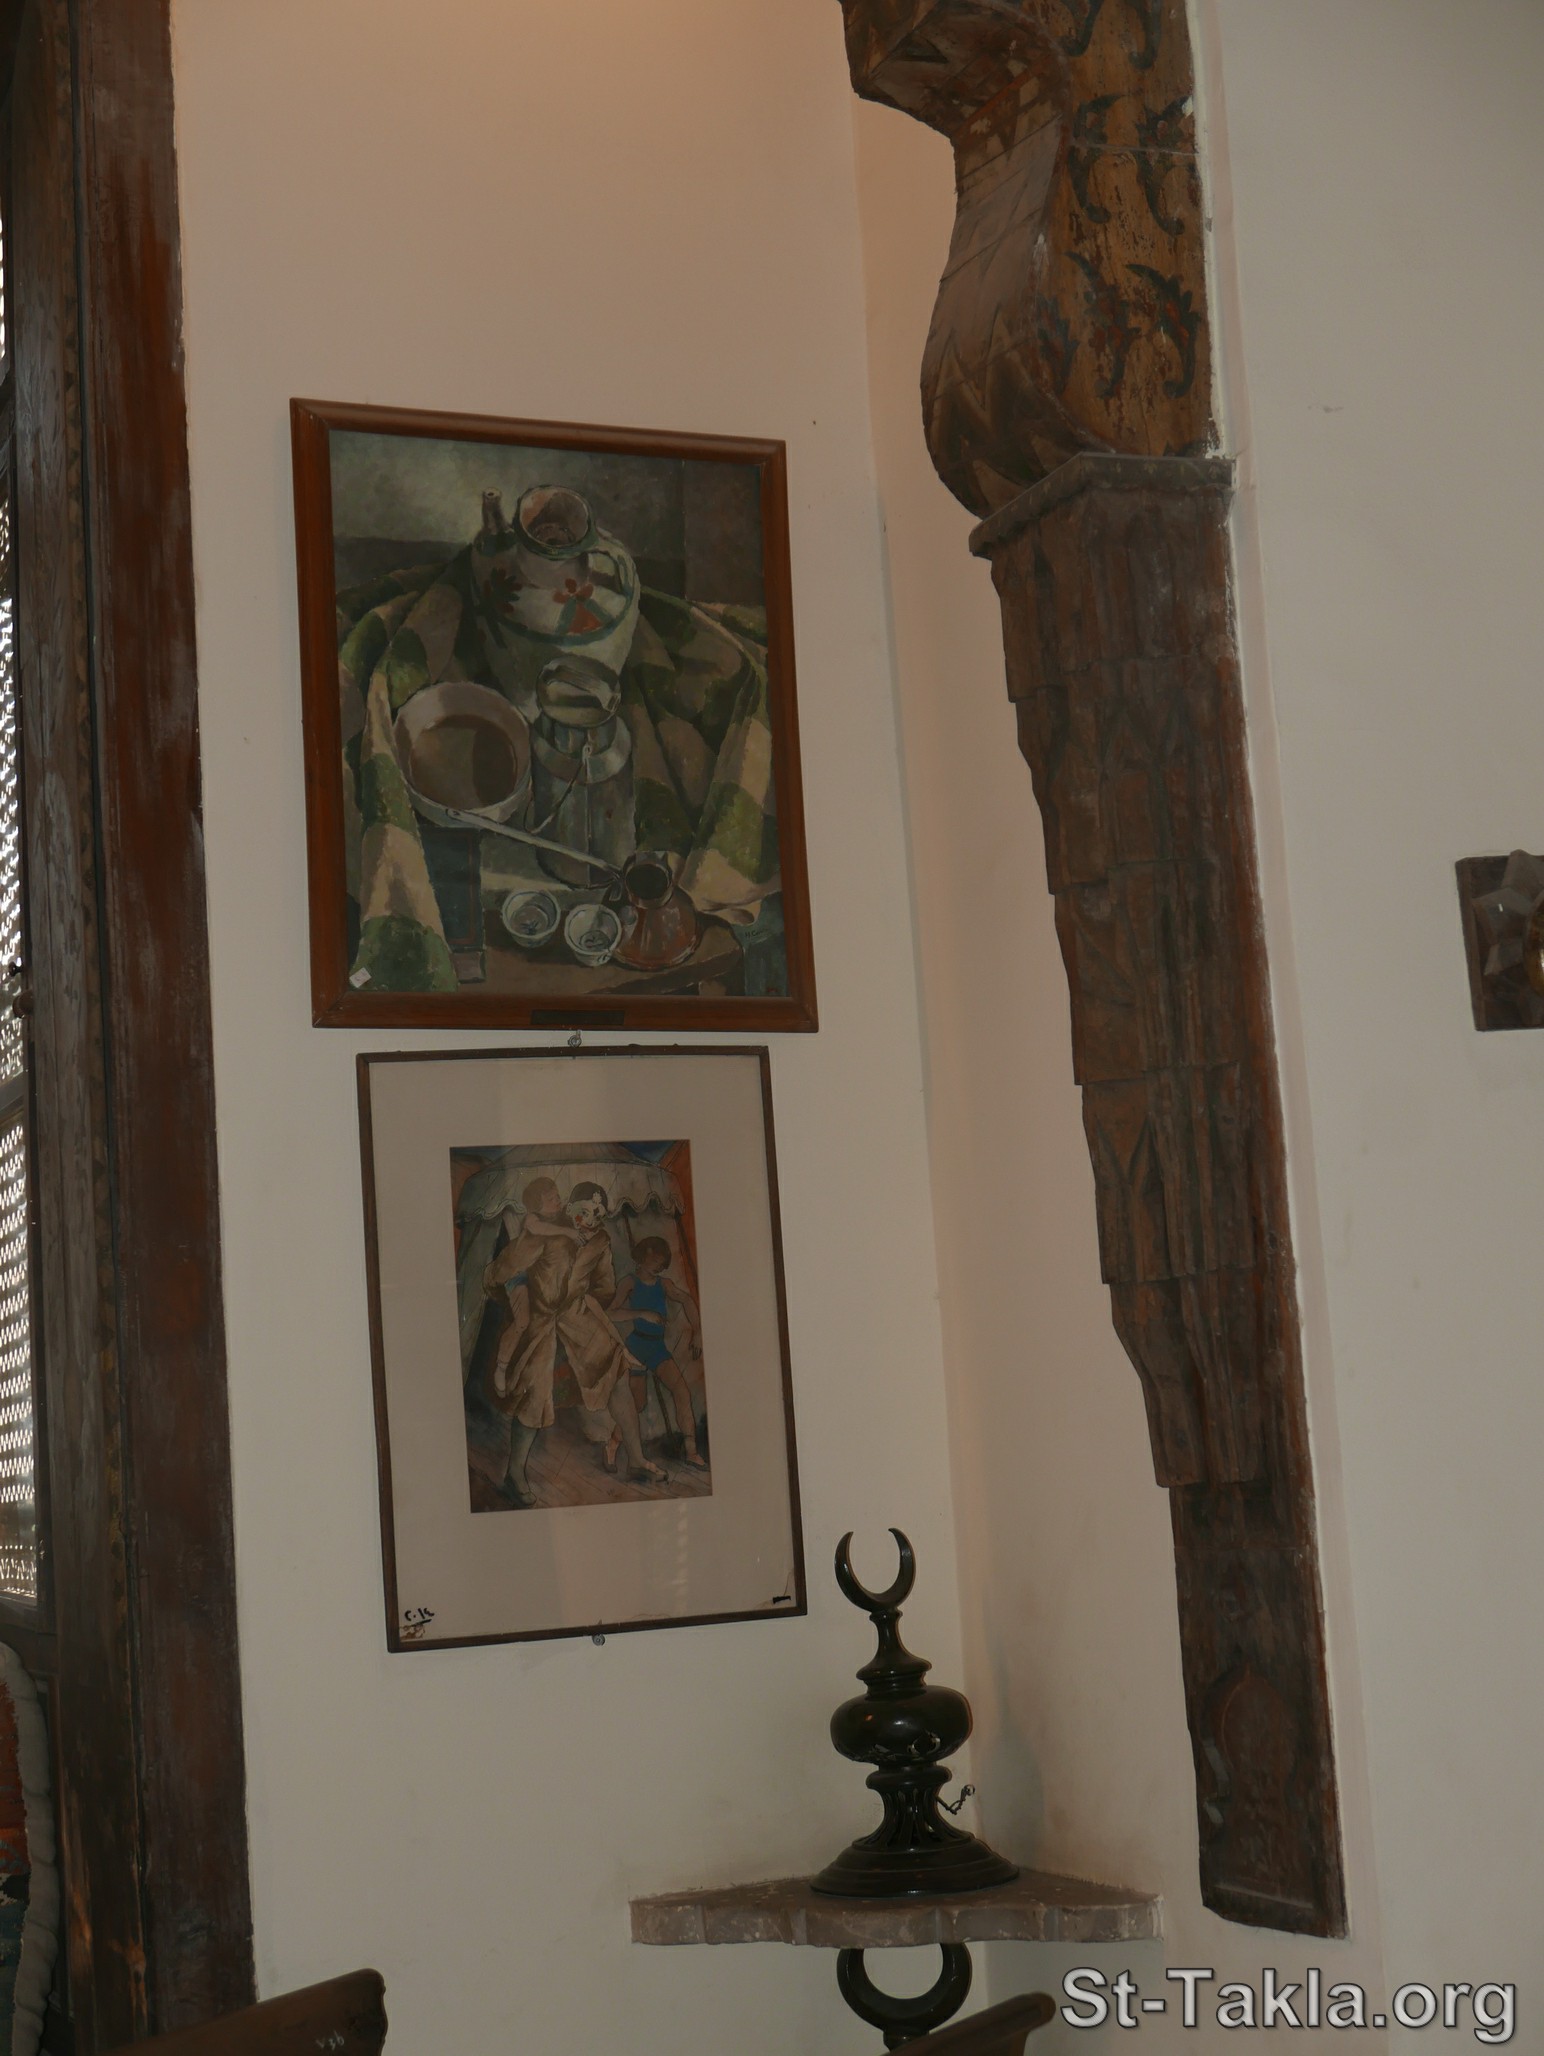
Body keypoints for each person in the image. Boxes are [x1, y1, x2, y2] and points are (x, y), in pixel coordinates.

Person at [483, 1177, 663, 1505]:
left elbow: (604, 1288)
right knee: (533, 1390)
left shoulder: (601, 1241)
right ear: (570, 1207)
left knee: (616, 1372)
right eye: (585, 1210)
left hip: (577, 1315)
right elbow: (502, 1270)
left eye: (599, 1213)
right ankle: (515, 1474)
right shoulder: (549, 1230)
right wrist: (521, 1299)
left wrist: (589, 1303)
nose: (592, 1218)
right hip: (540, 1318)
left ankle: (637, 1459)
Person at [607, 1235, 706, 1468]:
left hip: (657, 1347)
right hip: (636, 1347)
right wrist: (642, 1313)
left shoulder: (664, 1284)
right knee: (637, 1404)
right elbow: (611, 1313)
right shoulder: (629, 1282)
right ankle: (612, 1445)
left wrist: (698, 1331)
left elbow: (687, 1300)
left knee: (681, 1391)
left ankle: (691, 1451)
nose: (657, 1266)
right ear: (642, 1257)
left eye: (661, 1263)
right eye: (654, 1260)